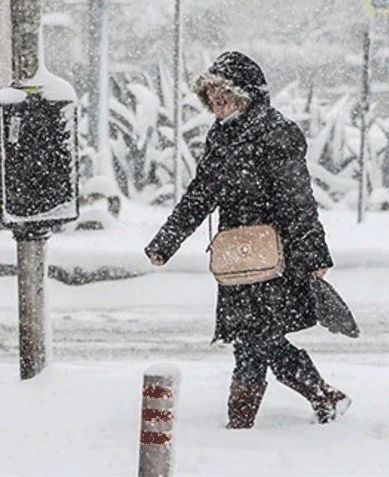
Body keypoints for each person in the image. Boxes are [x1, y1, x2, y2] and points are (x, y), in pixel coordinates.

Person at [144, 51, 350, 428]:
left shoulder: (276, 132)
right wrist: (165, 242)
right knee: (253, 338)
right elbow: (201, 193)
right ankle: (320, 397)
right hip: (238, 257)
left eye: (225, 96)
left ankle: (243, 424)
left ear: (246, 95)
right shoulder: (220, 137)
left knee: (256, 339)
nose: (217, 105)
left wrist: (314, 254)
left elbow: (297, 199)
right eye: (212, 98)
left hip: (276, 256)